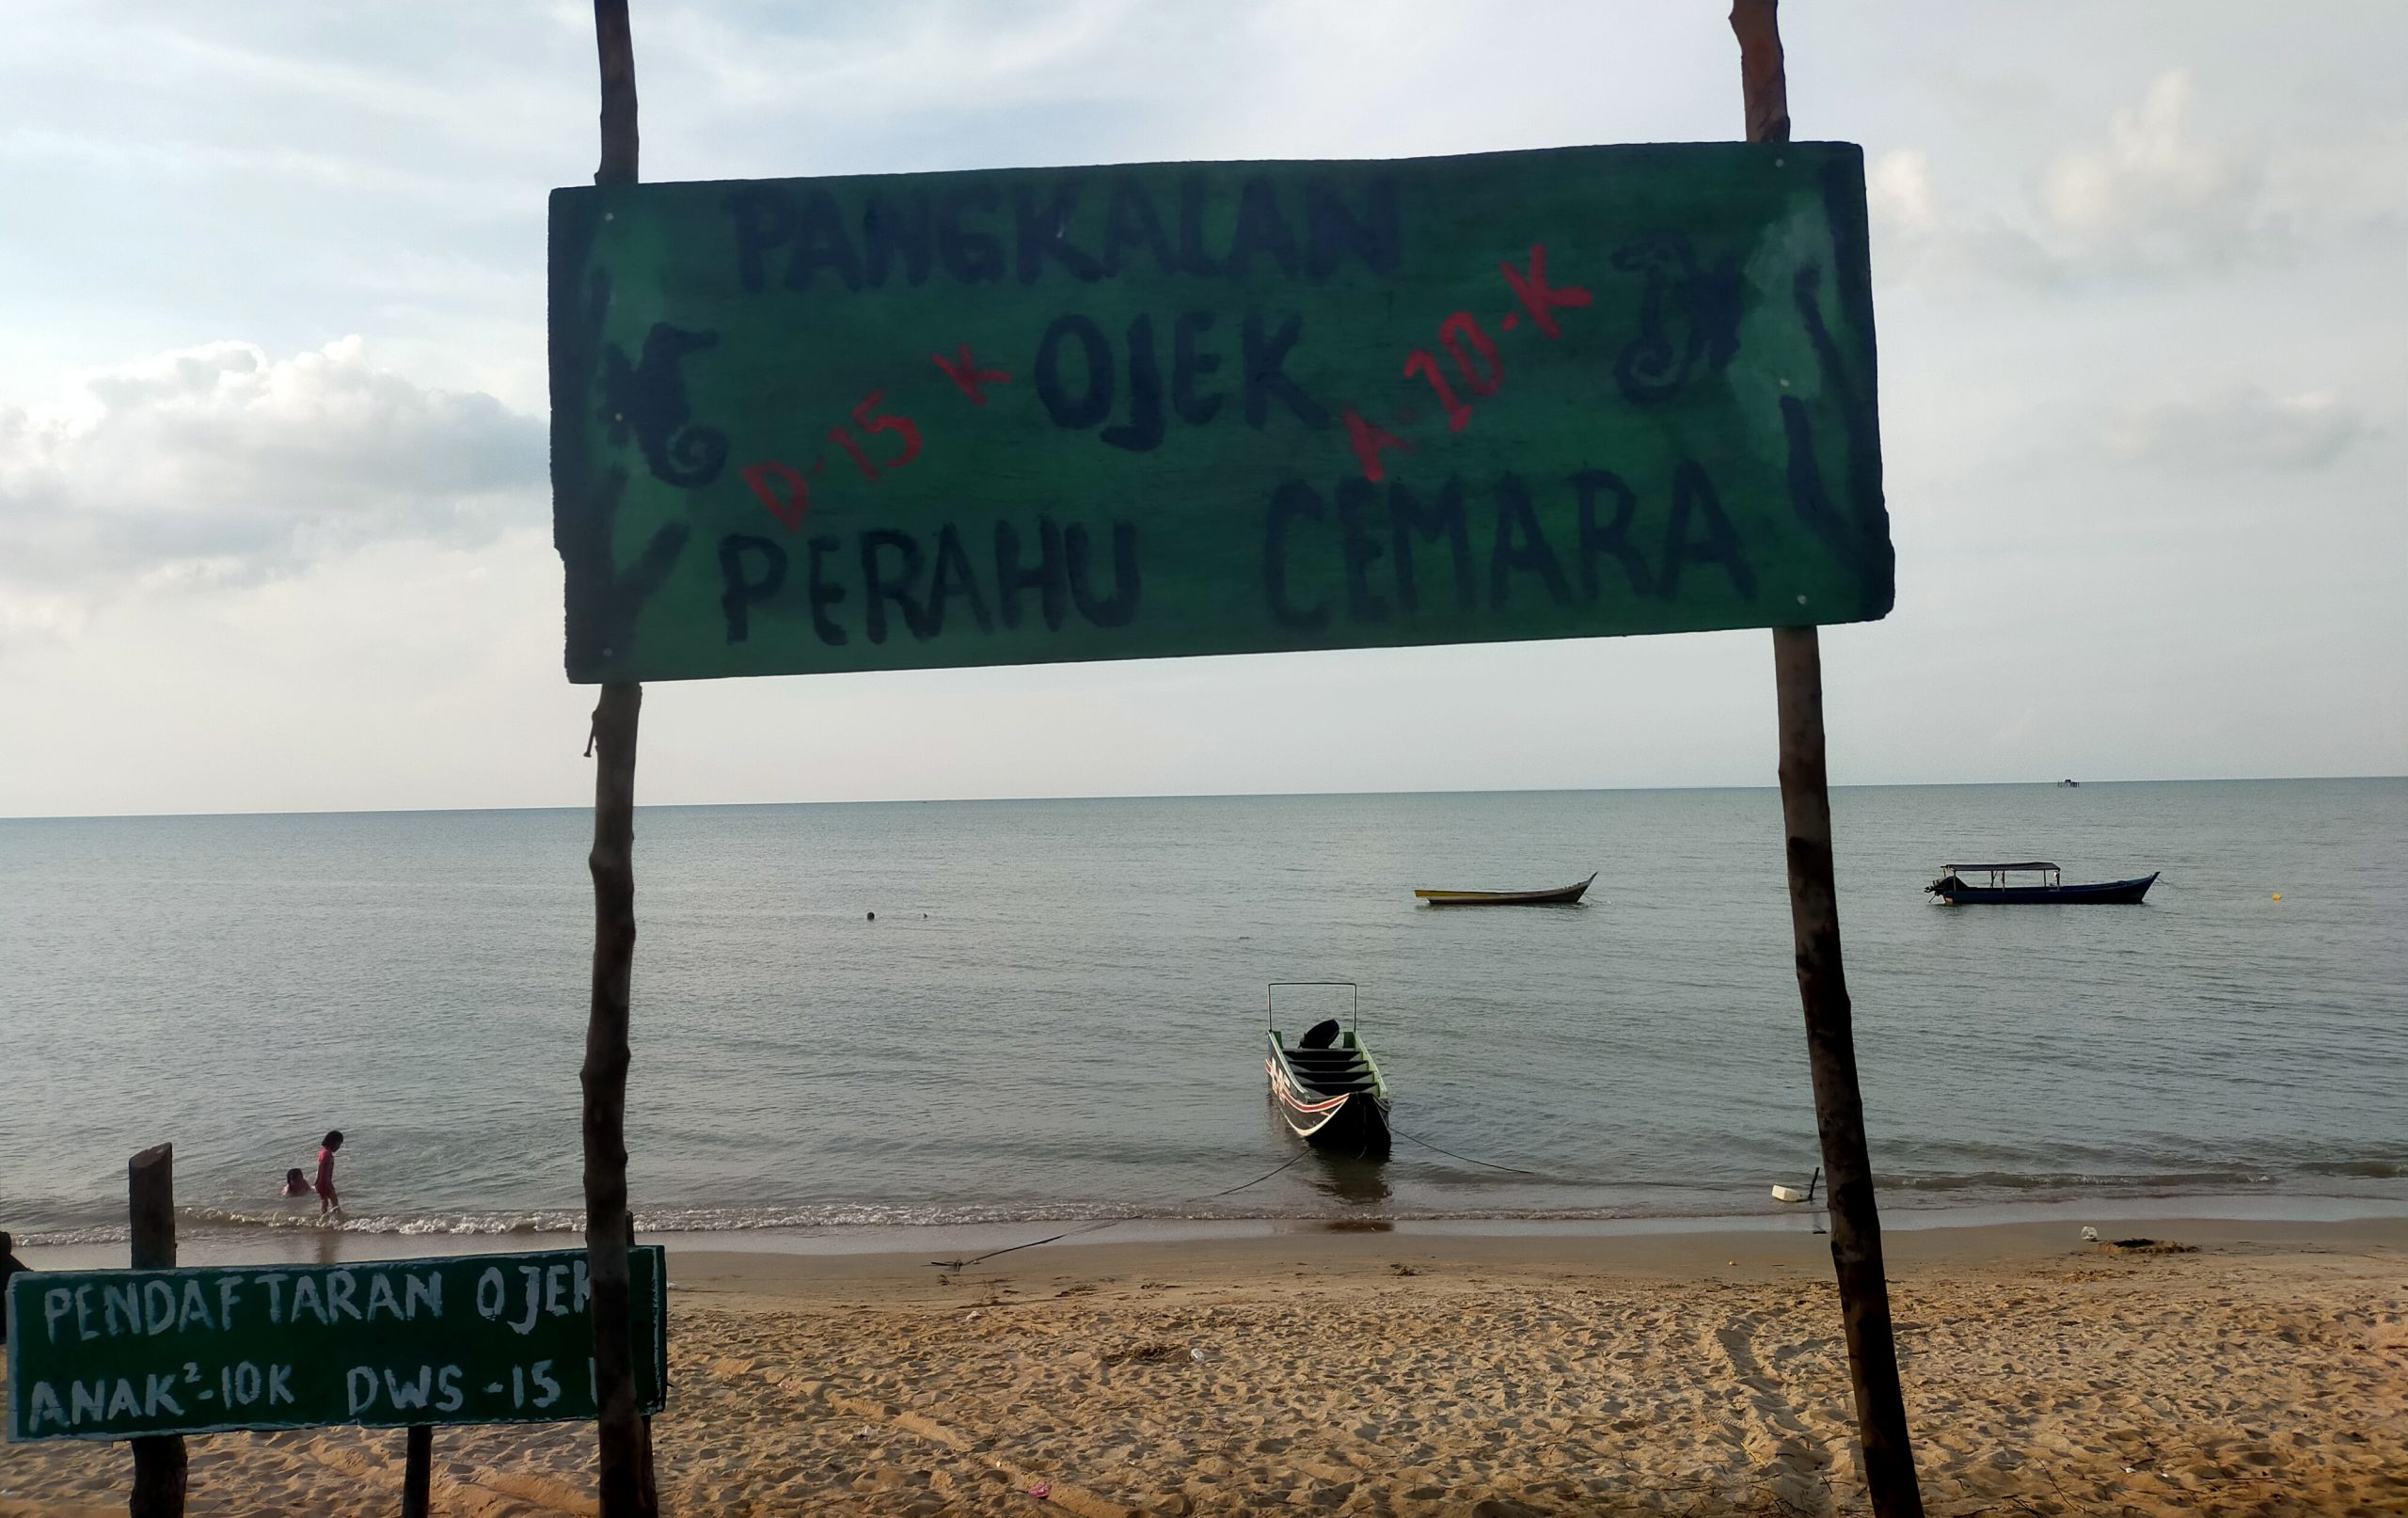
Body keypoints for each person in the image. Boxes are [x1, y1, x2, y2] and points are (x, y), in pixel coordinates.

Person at [314, 1130, 344, 1217]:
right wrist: (324, 1186)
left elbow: (320, 1170)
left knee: (325, 1203)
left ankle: (323, 1218)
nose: (339, 1147)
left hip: (324, 1182)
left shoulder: (323, 1151)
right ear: (332, 1142)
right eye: (338, 1144)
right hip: (324, 1183)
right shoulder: (326, 1154)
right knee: (334, 1203)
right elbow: (322, 1170)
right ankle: (338, 1218)